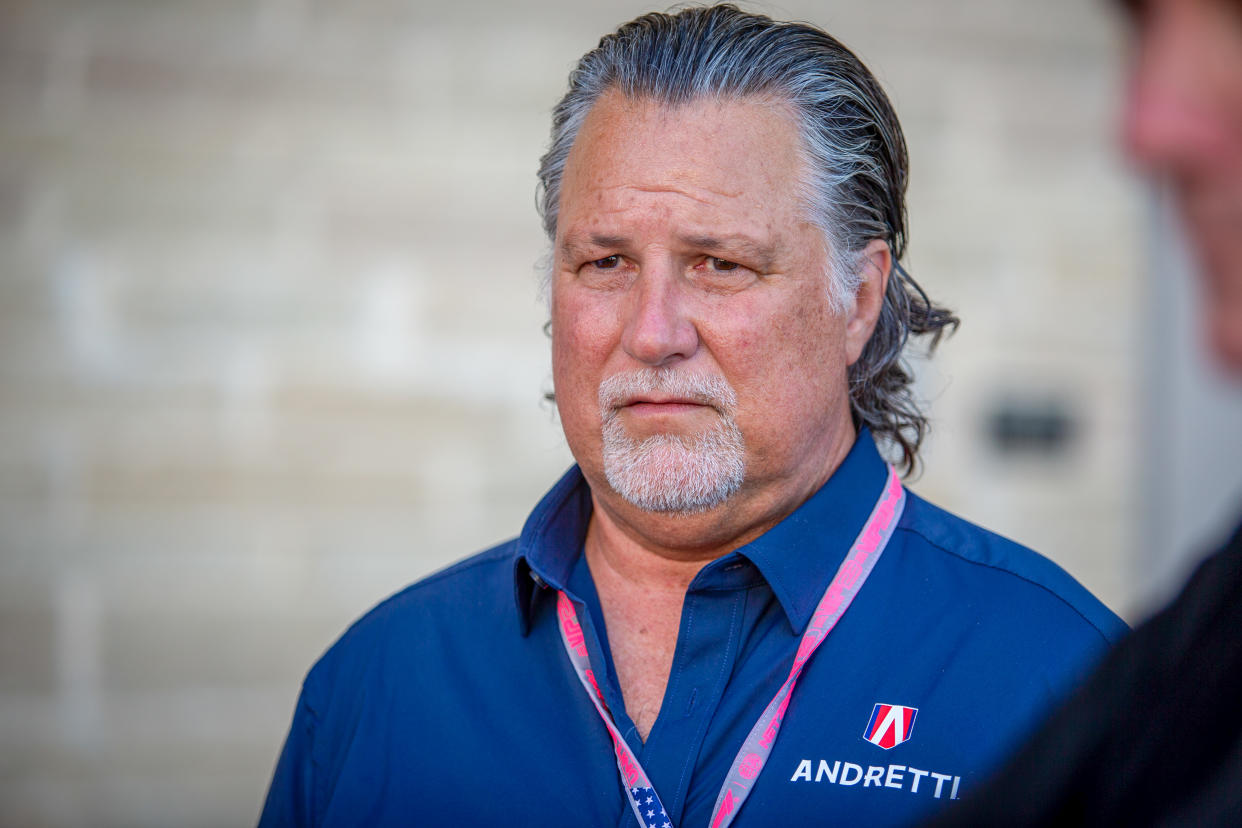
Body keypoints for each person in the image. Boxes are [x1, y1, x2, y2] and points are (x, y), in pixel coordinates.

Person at [258, 6, 1124, 827]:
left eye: (718, 264)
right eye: (605, 262)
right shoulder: (379, 685)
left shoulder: (1067, 685)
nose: (652, 332)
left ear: (858, 301)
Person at [926, 0, 1242, 825]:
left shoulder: (1044, 639)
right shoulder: (1211, 621)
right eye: (1142, 25)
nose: (1147, 127)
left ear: (858, 303)